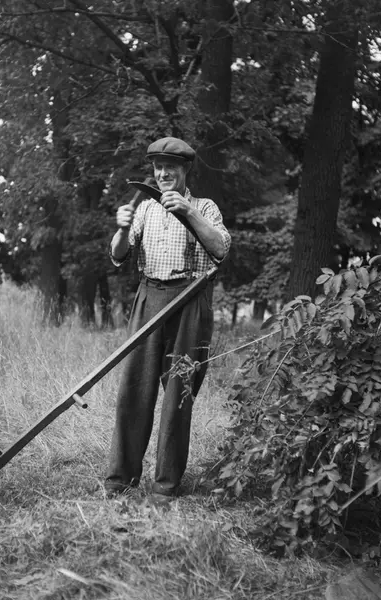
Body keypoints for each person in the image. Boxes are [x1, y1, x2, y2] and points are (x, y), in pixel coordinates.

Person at [105, 136, 231, 498]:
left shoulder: (204, 207)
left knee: (179, 394)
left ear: (185, 170)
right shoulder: (145, 208)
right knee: (134, 390)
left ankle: (166, 486)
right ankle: (120, 480)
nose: (163, 174)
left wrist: (188, 212)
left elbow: (221, 249)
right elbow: (119, 255)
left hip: (190, 301)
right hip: (149, 298)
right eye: (158, 168)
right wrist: (121, 228)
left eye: (170, 168)